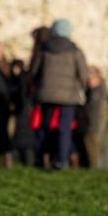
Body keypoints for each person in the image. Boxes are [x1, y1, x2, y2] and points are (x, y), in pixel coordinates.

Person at [31, 19, 89, 170]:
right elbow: (83, 74)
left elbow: (34, 71)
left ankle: (42, 157)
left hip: (46, 93)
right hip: (68, 96)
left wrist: (39, 87)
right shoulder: (75, 51)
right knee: (65, 128)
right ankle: (62, 160)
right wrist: (83, 89)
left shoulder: (44, 49)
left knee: (45, 127)